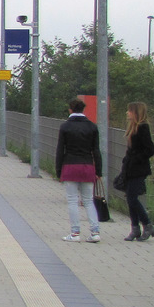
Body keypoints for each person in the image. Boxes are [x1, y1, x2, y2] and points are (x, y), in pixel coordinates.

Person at [55, 98, 102, 242]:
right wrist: (99, 172)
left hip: (70, 165)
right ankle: (95, 232)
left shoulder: (65, 127)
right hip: (88, 166)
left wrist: (58, 170)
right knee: (88, 201)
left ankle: (75, 233)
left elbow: (60, 150)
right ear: (83, 110)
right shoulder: (92, 127)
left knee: (72, 201)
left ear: (70, 109)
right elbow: (96, 151)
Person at [122, 102, 154, 241]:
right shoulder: (133, 128)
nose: (127, 113)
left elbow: (150, 149)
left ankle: (147, 224)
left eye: (130, 111)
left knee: (132, 198)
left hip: (138, 168)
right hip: (130, 168)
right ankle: (135, 228)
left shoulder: (143, 127)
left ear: (136, 112)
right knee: (130, 199)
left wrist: (136, 159)